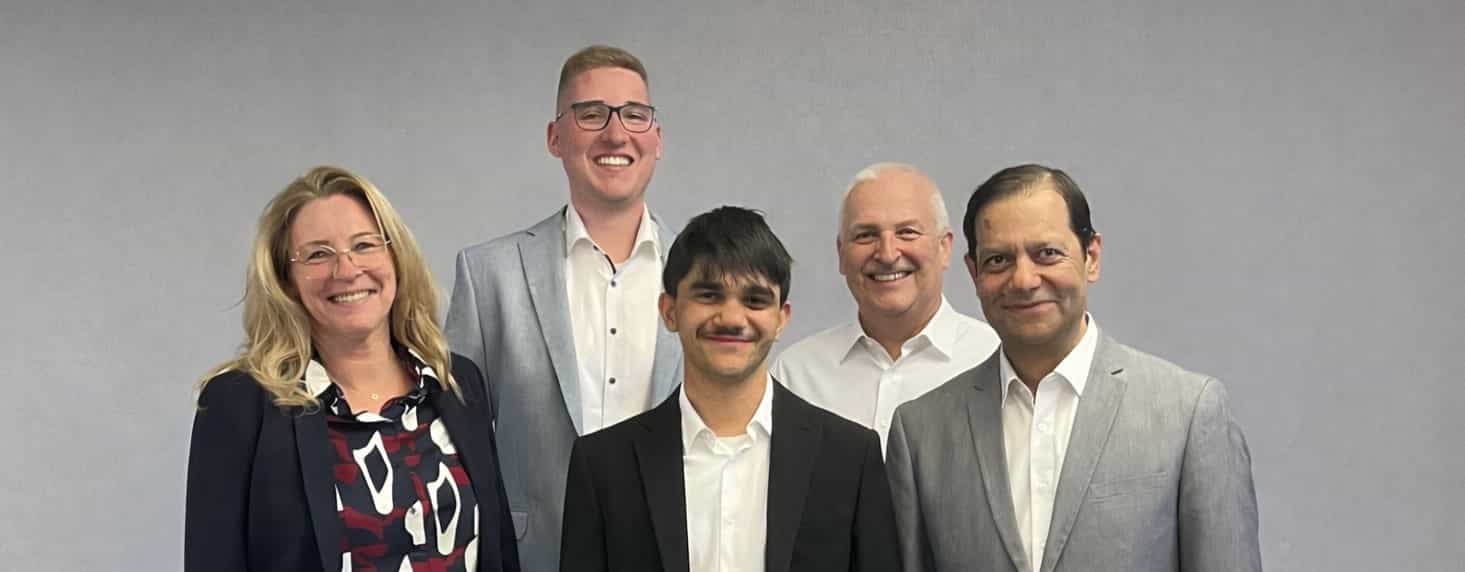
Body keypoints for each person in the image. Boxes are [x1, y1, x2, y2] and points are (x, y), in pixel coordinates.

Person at [886, 164, 1261, 572]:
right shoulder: (921, 434)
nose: (1024, 280)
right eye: (998, 260)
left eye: (1047, 253)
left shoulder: (1187, 415)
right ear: (974, 274)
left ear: (1091, 257)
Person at [185, 166, 519, 571]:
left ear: (396, 258)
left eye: (364, 245)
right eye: (318, 254)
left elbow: (500, 551)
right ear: (286, 280)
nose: (346, 270)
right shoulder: (240, 404)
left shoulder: (456, 382)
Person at [444, 45, 680, 571]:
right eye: (591, 114)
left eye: (634, 115)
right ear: (555, 137)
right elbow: (452, 442)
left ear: (657, 139)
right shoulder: (489, 275)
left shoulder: (702, 274)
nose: (616, 134)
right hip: (533, 556)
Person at [560, 207, 899, 572]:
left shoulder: (850, 458)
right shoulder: (603, 467)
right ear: (669, 311)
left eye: (755, 300)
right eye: (709, 296)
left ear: (781, 319)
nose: (733, 319)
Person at [772, 162, 998, 452]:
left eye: (907, 232)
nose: (888, 254)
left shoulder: (995, 360)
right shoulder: (796, 375)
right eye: (866, 235)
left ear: (944, 248)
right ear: (841, 254)